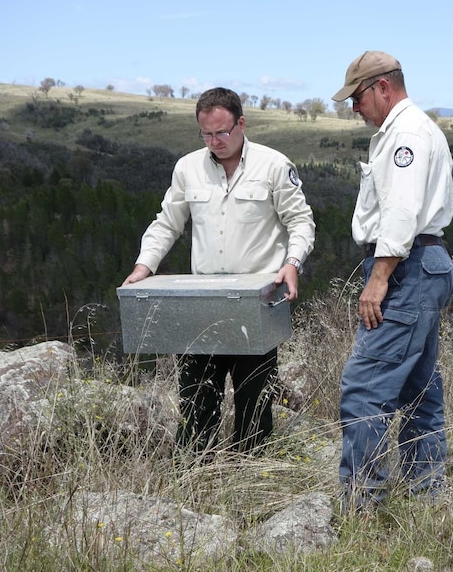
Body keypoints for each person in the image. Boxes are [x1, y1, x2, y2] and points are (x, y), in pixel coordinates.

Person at [121, 87, 315, 454]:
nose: (215, 142)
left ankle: (251, 483)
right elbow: (167, 223)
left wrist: (292, 264)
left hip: (257, 303)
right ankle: (194, 479)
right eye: (206, 134)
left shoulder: (274, 165)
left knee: (253, 404)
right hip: (202, 303)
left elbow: (301, 221)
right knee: (196, 401)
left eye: (222, 132)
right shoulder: (187, 168)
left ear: (241, 123)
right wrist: (144, 266)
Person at [332, 51, 453, 510]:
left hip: (405, 268)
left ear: (384, 87)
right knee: (417, 389)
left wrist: (380, 276)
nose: (354, 108)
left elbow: (401, 210)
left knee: (365, 386)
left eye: (358, 97)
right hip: (422, 264)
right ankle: (427, 498)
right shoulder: (408, 128)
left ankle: (363, 503)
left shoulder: (404, 132)